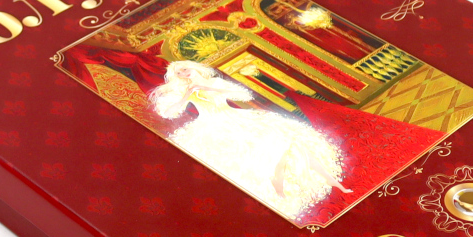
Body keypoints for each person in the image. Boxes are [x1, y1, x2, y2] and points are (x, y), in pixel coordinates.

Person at [149, 60, 350, 219]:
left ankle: (321, 183)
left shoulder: (215, 83)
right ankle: (277, 194)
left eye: (185, 69)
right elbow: (168, 112)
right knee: (246, 161)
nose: (184, 74)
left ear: (194, 67)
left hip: (237, 118)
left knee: (287, 144)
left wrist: (213, 90)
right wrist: (186, 96)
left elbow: (243, 94)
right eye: (179, 73)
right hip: (212, 126)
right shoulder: (181, 91)